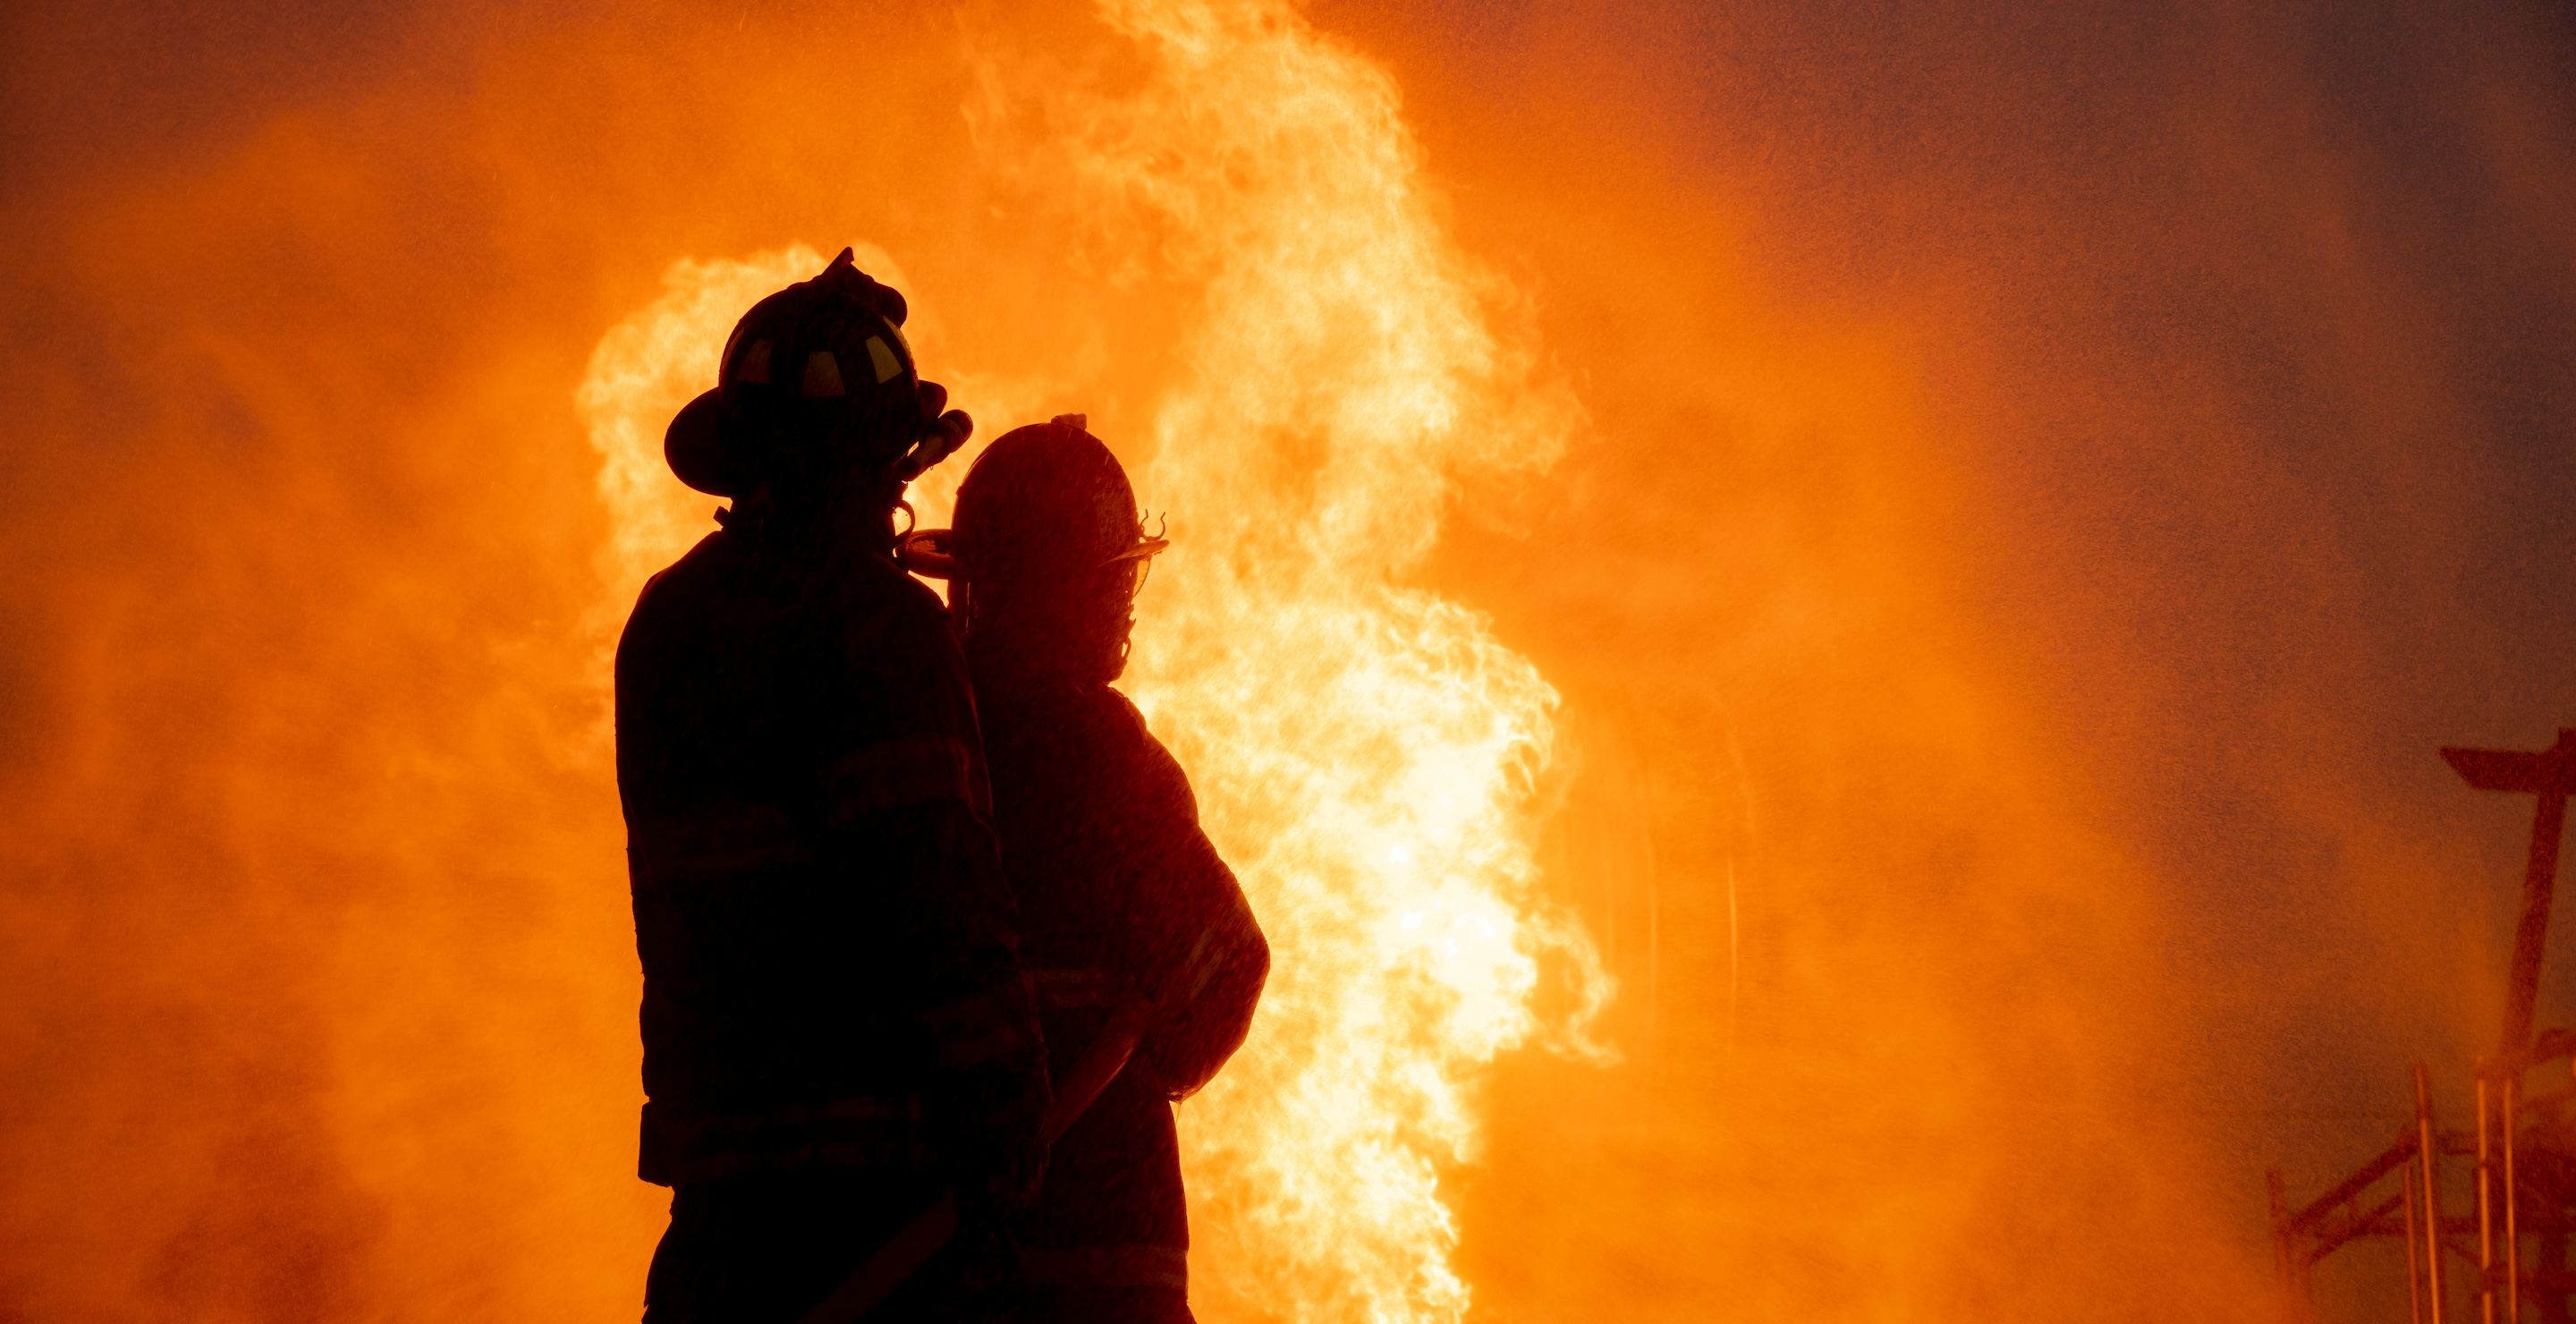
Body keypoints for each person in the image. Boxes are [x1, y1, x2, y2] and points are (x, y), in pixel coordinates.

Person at [615, 249, 1048, 1324]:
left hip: (720, 1207)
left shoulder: (668, 626)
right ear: (881, 470)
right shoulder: (882, 628)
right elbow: (937, 889)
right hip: (878, 1208)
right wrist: (1007, 1113)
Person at [933, 415, 1269, 1324]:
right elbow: (1231, 958)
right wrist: (1139, 1066)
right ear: (1082, 594)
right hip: (1107, 1245)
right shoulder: (1106, 757)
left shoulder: (920, 744)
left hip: (935, 1248)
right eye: (1114, 582)